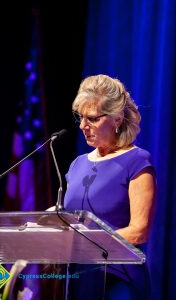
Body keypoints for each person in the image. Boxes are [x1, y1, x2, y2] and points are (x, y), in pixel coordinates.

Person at [63, 74, 157, 299]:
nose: (84, 126)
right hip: (79, 277)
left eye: (93, 118)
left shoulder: (137, 161)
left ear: (116, 119)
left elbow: (139, 231)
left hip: (119, 280)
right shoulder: (77, 165)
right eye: (81, 117)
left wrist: (85, 242)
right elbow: (66, 220)